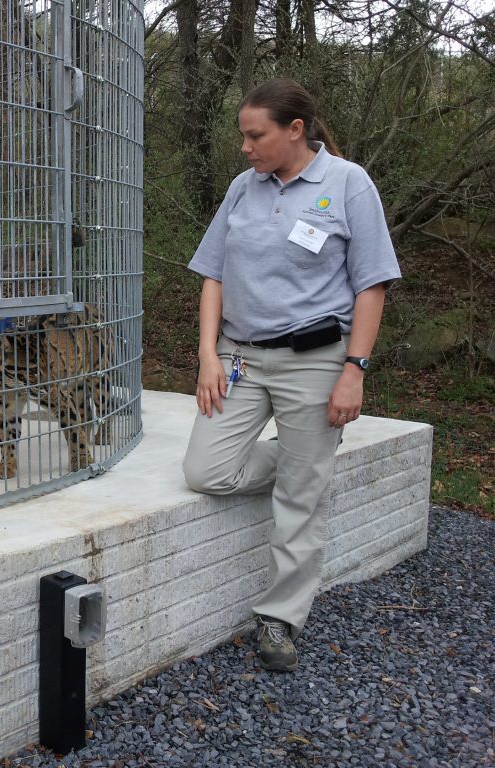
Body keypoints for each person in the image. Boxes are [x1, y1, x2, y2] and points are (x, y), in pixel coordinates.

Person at [182, 79, 402, 672]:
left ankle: (279, 616)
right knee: (206, 470)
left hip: (316, 359)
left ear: (295, 130)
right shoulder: (241, 189)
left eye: (256, 136)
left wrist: (354, 370)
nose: (245, 148)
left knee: (301, 501)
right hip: (241, 358)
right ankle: (305, 457)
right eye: (242, 136)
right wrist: (207, 355)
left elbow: (372, 284)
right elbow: (213, 276)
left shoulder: (348, 183)